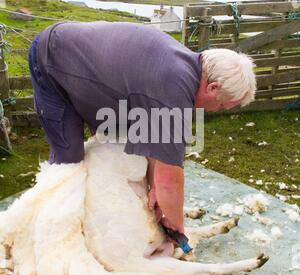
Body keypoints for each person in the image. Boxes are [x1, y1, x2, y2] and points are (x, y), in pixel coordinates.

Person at [28, 21, 256, 235]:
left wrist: (153, 186)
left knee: (116, 148)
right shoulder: (172, 92)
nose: (215, 110)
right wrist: (177, 231)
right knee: (69, 159)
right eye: (222, 105)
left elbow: (155, 145)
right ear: (213, 87)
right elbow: (170, 181)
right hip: (52, 58)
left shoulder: (186, 69)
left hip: (91, 71)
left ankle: (91, 214)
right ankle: (50, 227)